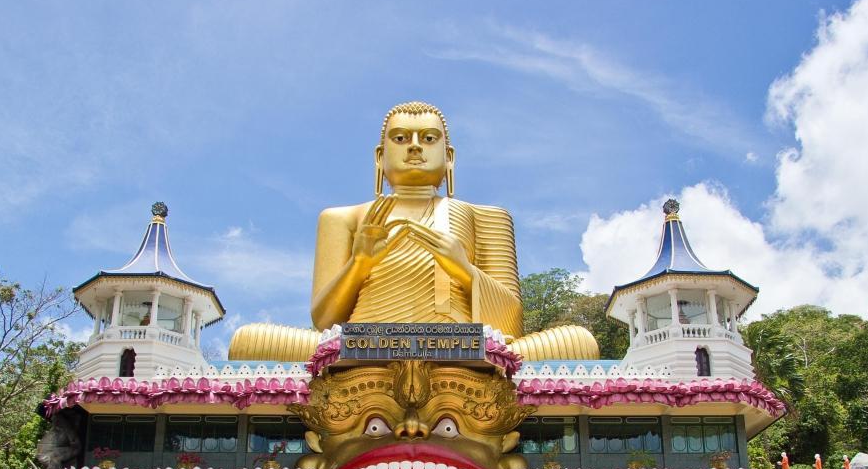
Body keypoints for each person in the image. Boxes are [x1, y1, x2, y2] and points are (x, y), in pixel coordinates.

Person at [227, 101, 598, 362]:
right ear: (379, 155)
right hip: (361, 348)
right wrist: (359, 263)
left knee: (578, 343)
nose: (416, 147)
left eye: (429, 139)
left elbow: (510, 324)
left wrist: (463, 270)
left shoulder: (485, 216)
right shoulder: (344, 218)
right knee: (249, 341)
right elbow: (324, 322)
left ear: (449, 156)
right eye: (401, 138)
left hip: (462, 348)